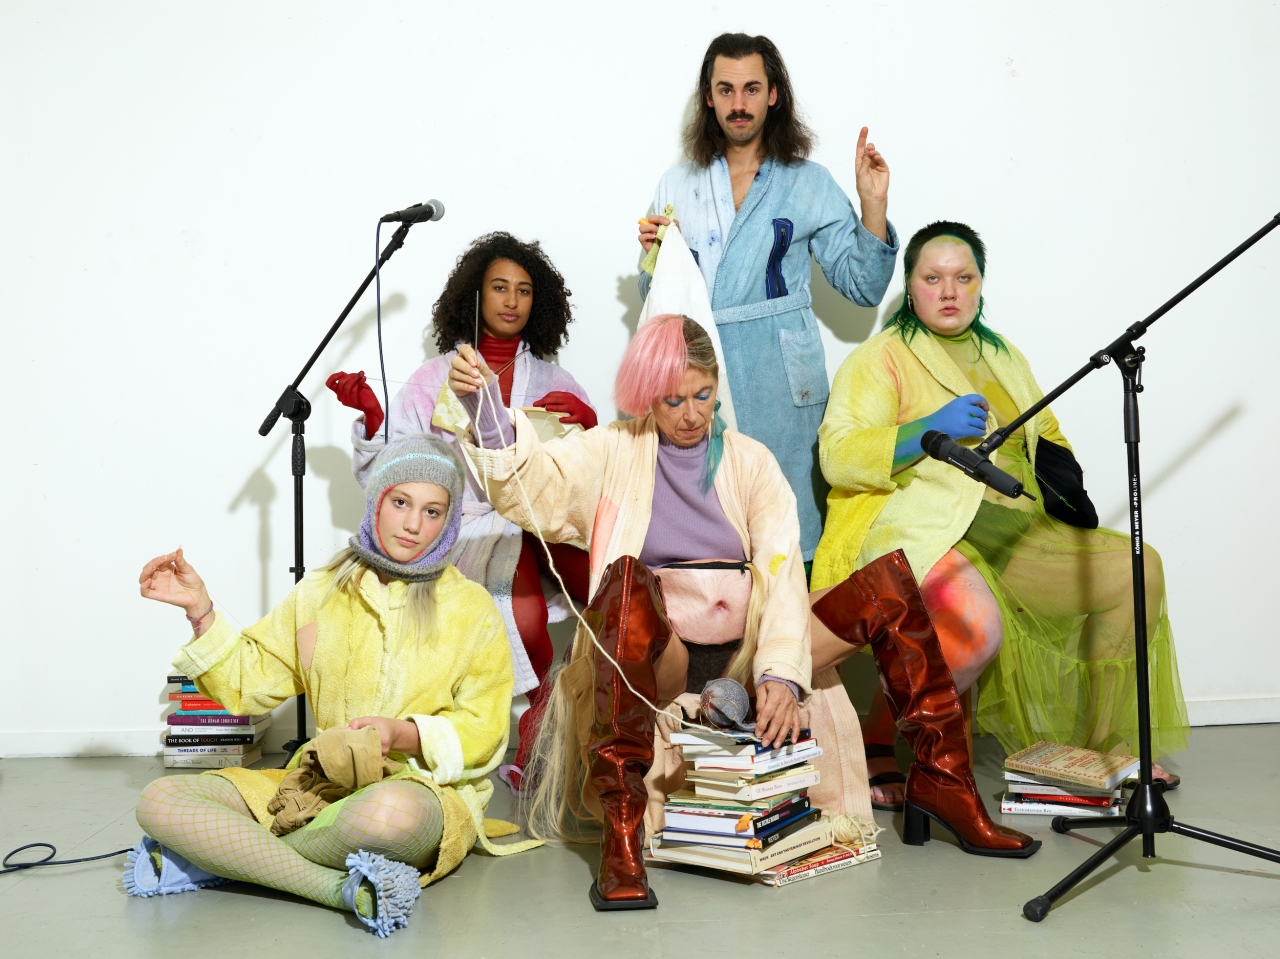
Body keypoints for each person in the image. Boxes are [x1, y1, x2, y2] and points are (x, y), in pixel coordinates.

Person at [450, 314, 1038, 911]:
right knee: (624, 584)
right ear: (645, 396)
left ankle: (944, 783)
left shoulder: (751, 460)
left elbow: (781, 570)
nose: (691, 414)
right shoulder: (612, 448)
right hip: (669, 659)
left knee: (887, 587)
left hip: (748, 647)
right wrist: (486, 411)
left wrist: (780, 670)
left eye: (703, 395)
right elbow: (534, 483)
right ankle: (621, 835)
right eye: (673, 400)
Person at [811, 221, 1190, 810]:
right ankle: (876, 737)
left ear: (980, 285)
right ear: (909, 287)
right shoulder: (880, 357)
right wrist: (926, 430)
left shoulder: (1003, 354)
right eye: (932, 278)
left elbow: (1045, 429)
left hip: (1019, 531)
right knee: (969, 633)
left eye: (963, 278)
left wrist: (1063, 484)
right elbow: (838, 455)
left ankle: (1098, 751)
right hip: (936, 529)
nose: (948, 291)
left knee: (1137, 569)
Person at [131, 435, 536, 937]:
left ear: (449, 520)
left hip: (421, 792)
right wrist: (200, 610)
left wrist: (404, 734)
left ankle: (223, 855)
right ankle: (334, 888)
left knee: (391, 815)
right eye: (401, 502)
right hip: (316, 787)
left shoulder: (471, 608)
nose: (413, 524)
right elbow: (249, 682)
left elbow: (486, 728)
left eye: (432, 511)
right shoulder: (320, 592)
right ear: (377, 502)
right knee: (160, 799)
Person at [328, 232, 596, 796]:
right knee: (523, 605)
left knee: (610, 582)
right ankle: (537, 733)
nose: (512, 300)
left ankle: (599, 721)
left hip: (541, 519)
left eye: (524, 290)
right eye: (499, 287)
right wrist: (373, 418)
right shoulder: (432, 378)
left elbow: (587, 473)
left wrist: (588, 424)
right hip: (473, 525)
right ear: (474, 294)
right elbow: (396, 473)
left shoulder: (555, 382)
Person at [637, 32, 899, 564]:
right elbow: (658, 306)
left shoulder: (808, 183)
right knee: (714, 538)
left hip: (782, 380)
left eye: (752, 89)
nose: (739, 103)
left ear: (773, 94)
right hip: (703, 376)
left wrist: (873, 205)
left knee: (792, 533)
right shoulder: (677, 184)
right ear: (708, 97)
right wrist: (656, 260)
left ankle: (799, 615)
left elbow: (863, 285)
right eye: (726, 90)